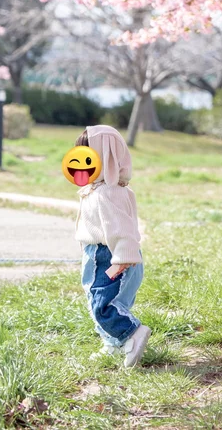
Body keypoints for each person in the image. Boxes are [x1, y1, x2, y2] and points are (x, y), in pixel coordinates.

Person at [73, 124, 150, 367]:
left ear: (103, 157)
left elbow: (122, 229)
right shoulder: (106, 190)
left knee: (102, 304)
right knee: (110, 301)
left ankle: (131, 333)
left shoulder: (107, 193)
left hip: (110, 257)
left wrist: (121, 260)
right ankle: (113, 344)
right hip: (104, 255)